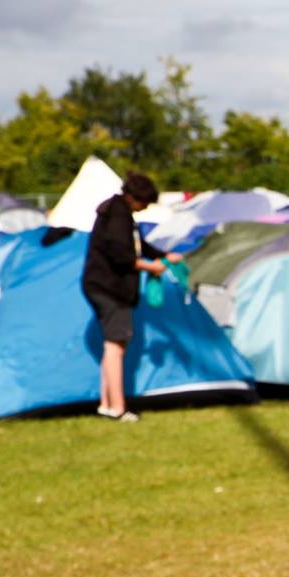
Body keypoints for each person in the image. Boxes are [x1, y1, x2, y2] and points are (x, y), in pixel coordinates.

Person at [81, 172, 180, 422]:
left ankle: (107, 404)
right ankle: (118, 408)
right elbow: (122, 256)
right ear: (134, 198)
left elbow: (138, 246)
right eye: (145, 202)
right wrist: (152, 267)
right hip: (110, 288)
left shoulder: (119, 213)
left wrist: (163, 255)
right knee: (116, 345)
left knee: (112, 345)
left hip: (100, 285)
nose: (145, 207)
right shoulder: (118, 216)